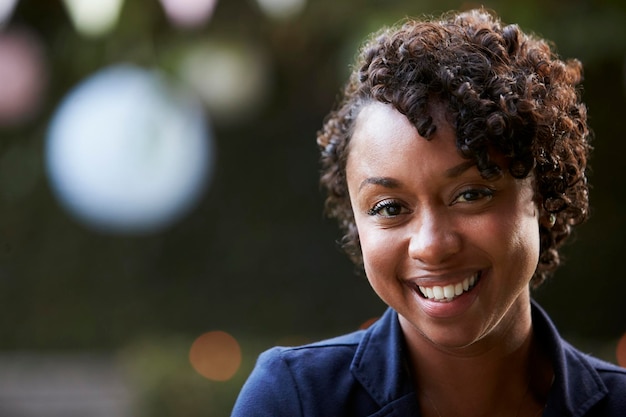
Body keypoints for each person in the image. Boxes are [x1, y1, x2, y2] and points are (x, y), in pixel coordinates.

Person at [231, 8, 626, 417]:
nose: (432, 246)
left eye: (471, 195)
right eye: (389, 208)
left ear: (542, 194)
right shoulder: (295, 400)